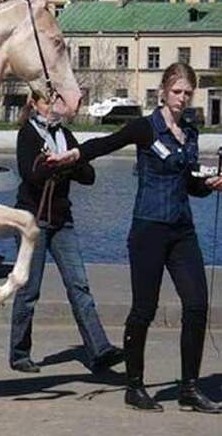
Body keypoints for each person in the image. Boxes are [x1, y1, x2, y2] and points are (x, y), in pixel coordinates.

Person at [47, 62, 222, 413]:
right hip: (148, 229)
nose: (182, 98)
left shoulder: (191, 131)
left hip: (182, 229)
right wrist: (74, 155)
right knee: (145, 308)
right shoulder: (146, 128)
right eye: (177, 91)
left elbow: (189, 184)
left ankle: (189, 387)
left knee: (198, 305)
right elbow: (107, 143)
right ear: (163, 91)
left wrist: (209, 185)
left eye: (188, 93)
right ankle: (134, 385)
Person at [9, 89, 124, 375]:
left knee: (79, 286)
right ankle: (19, 353)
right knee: (28, 290)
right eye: (46, 101)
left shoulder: (65, 135)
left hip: (62, 221)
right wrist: (54, 166)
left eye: (55, 102)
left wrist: (66, 163)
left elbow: (89, 176)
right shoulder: (28, 134)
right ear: (34, 104)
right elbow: (30, 175)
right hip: (31, 221)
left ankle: (99, 350)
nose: (52, 107)